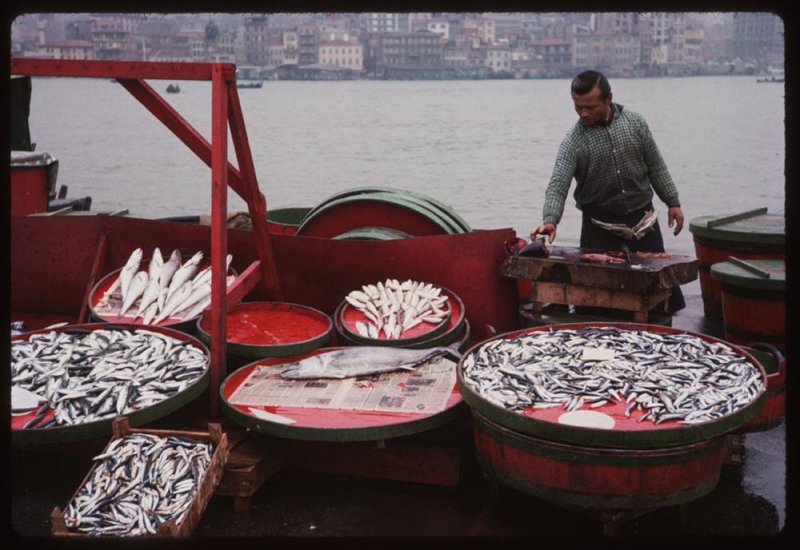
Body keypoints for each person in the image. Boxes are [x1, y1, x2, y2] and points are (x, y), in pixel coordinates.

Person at [530, 69, 686, 312]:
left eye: (590, 107)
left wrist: (673, 202)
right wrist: (550, 220)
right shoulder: (574, 140)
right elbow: (558, 182)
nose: (583, 113)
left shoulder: (635, 123)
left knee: (660, 294)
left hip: (643, 219)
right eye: (577, 106)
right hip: (598, 226)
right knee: (597, 301)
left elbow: (656, 166)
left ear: (608, 99)